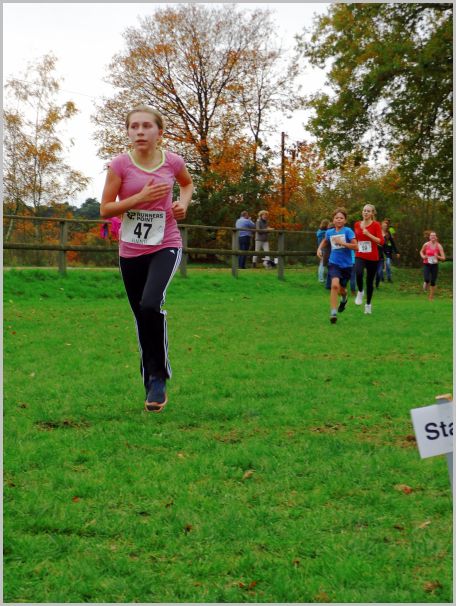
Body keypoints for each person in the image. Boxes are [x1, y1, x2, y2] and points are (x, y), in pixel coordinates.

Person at [100, 105, 193, 412]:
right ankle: (150, 377)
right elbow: (105, 209)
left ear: (159, 132)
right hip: (131, 250)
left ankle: (158, 376)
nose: (140, 131)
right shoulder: (120, 166)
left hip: (165, 243)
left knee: (151, 304)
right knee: (141, 314)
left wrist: (183, 204)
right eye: (134, 126)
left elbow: (187, 184)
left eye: (146, 126)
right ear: (128, 132)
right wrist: (139, 199)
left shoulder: (173, 162)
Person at [317, 208, 357, 324]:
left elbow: (356, 247)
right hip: (334, 263)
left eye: (341, 218)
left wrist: (343, 243)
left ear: (345, 220)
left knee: (342, 290)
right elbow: (325, 241)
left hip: (347, 265)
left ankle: (344, 299)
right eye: (337, 218)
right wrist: (319, 249)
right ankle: (333, 313)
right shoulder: (330, 232)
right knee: (334, 286)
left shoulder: (348, 231)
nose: (339, 220)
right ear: (333, 220)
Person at [354, 204, 384, 314]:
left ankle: (368, 304)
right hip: (360, 254)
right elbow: (355, 239)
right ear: (362, 212)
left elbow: (381, 241)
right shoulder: (357, 224)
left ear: (372, 213)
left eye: (368, 211)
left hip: (372, 256)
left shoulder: (376, 225)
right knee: (358, 273)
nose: (366, 212)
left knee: (369, 282)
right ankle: (360, 291)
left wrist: (368, 234)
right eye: (364, 210)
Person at [420, 231, 446, 300]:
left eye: (434, 235)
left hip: (434, 265)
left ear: (436, 237)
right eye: (431, 235)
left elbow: (443, 258)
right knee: (427, 279)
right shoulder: (426, 244)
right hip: (427, 264)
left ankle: (431, 297)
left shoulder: (439, 246)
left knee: (433, 281)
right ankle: (426, 282)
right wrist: (423, 256)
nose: (433, 237)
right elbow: (421, 251)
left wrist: (438, 256)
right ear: (429, 237)